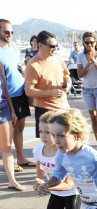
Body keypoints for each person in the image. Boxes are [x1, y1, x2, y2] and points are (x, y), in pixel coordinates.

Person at [32, 111, 94, 209]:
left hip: (73, 193)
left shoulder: (65, 153)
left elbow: (68, 184)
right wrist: (39, 180)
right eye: (40, 131)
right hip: (56, 191)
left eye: (48, 132)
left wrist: (47, 187)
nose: (43, 136)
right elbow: (40, 164)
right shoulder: (38, 150)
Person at [0, 19, 34, 168]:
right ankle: (10, 161)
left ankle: (21, 158)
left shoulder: (13, 47)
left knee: (20, 127)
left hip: (20, 94)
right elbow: (3, 80)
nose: (9, 35)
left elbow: (20, 67)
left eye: (11, 32)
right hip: (7, 97)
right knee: (7, 131)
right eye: (6, 32)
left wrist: (23, 68)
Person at [25, 30, 71, 138]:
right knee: (50, 145)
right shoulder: (32, 65)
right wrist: (52, 92)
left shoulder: (58, 59)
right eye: (52, 46)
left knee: (66, 142)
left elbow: (67, 76)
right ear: (40, 45)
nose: (55, 48)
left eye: (56, 45)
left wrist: (67, 86)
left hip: (63, 107)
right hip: (45, 110)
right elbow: (29, 91)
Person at [77, 32, 97, 150]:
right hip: (87, 89)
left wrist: (95, 62)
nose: (89, 45)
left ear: (95, 43)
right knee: (93, 117)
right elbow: (79, 74)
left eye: (91, 42)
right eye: (87, 42)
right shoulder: (80, 56)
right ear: (83, 43)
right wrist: (88, 64)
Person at [0, 59, 23, 190]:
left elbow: (5, 89)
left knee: (6, 147)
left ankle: (12, 180)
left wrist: (12, 110)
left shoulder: (0, 64)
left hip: (3, 109)